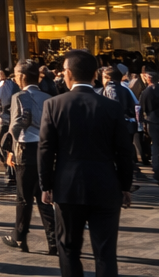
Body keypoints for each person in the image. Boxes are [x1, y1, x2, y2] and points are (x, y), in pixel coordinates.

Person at [37, 50, 134, 277]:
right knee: (106, 252)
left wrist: (46, 185)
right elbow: (124, 151)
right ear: (95, 75)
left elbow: (45, 149)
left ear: (68, 74)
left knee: (68, 248)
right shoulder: (111, 107)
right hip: (106, 184)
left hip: (67, 186)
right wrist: (125, 186)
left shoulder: (54, 105)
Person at [3, 59, 55, 255]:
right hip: (45, 150)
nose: (15, 78)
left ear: (22, 77)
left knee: (23, 198)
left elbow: (16, 124)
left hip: (25, 150)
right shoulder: (47, 97)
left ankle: (19, 237)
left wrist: (10, 148)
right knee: (44, 197)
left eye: (16, 75)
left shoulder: (19, 96)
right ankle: (53, 241)